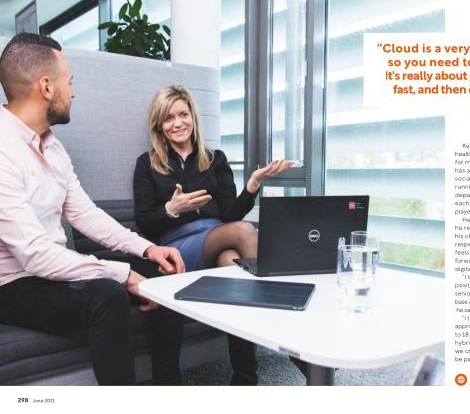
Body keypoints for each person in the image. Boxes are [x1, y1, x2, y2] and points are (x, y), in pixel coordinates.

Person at [0, 33, 186, 385]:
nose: (72, 92)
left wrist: (147, 248)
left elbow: (85, 214)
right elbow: (34, 255)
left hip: (52, 268)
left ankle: (167, 387)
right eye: (68, 82)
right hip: (13, 285)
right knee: (107, 295)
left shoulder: (53, 147)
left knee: (159, 272)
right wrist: (122, 275)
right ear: (46, 87)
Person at [134, 84, 292, 385]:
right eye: (168, 118)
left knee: (234, 266)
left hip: (218, 238)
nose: (178, 123)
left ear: (193, 116)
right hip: (177, 247)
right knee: (245, 231)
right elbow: (145, 224)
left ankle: (245, 378)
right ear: (159, 125)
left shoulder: (215, 159)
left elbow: (230, 214)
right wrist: (171, 209)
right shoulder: (147, 163)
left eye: (183, 114)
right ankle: (281, 321)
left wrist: (253, 185)